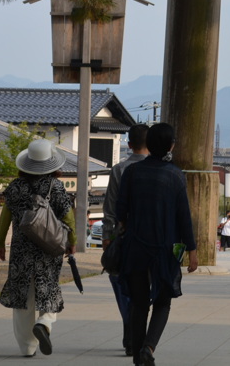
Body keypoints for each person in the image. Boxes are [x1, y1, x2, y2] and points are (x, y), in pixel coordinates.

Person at [116, 123, 199, 366]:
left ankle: (137, 356)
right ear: (171, 145)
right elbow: (184, 217)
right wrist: (192, 251)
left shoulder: (132, 172)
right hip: (166, 249)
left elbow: (121, 210)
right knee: (163, 301)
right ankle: (148, 348)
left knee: (139, 303)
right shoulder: (175, 175)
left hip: (136, 246)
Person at [0, 138, 76, 357]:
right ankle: (45, 322)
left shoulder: (15, 187)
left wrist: (0, 243)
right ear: (52, 163)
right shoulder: (55, 187)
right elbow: (68, 216)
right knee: (47, 287)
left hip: (21, 248)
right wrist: (72, 242)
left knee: (23, 295)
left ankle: (27, 347)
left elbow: (5, 216)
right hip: (48, 249)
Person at [102, 123, 149, 356]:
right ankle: (135, 333)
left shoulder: (120, 169)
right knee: (144, 289)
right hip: (149, 239)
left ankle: (130, 330)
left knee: (122, 285)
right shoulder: (160, 169)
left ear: (129, 144)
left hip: (123, 237)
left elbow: (109, 207)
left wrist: (108, 236)